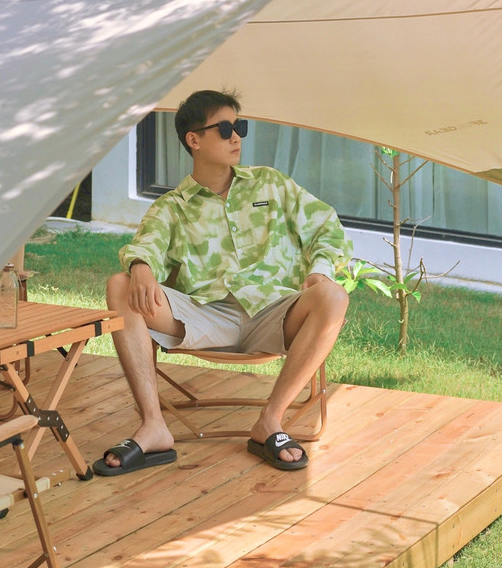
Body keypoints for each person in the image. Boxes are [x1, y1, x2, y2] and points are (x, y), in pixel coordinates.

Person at [93, 88, 352, 476]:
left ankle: (271, 420)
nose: (236, 137)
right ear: (194, 140)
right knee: (120, 285)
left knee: (333, 296)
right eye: (225, 128)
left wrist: (320, 269)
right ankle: (153, 426)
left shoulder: (271, 184)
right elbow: (147, 243)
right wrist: (141, 265)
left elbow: (327, 227)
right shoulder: (173, 207)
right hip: (204, 318)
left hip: (275, 315)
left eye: (239, 127)